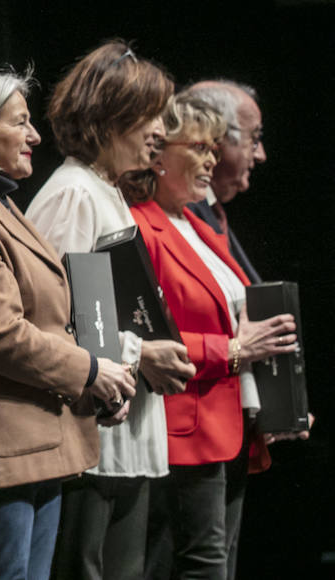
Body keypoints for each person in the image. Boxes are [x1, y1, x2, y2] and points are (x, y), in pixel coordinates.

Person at [0, 69, 135, 580]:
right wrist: (89, 372)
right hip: (1, 446)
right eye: (19, 123)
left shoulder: (1, 205)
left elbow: (48, 320)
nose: (35, 136)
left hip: (37, 439)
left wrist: (94, 388)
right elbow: (1, 334)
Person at [23, 41, 195, 580]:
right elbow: (55, 316)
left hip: (121, 431)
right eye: (148, 117)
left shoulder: (105, 191)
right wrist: (142, 353)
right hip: (90, 436)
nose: (159, 133)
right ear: (108, 116)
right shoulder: (74, 192)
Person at [120, 95, 297, 579]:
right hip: (187, 427)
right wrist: (237, 350)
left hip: (230, 426)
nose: (212, 159)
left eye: (215, 147)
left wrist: (281, 400)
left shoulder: (198, 223)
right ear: (158, 156)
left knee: (218, 563)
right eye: (199, 146)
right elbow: (144, 337)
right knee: (194, 566)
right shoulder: (141, 226)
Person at [179, 80, 265, 284]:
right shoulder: (181, 212)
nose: (261, 154)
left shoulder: (212, 212)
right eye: (253, 139)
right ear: (215, 136)